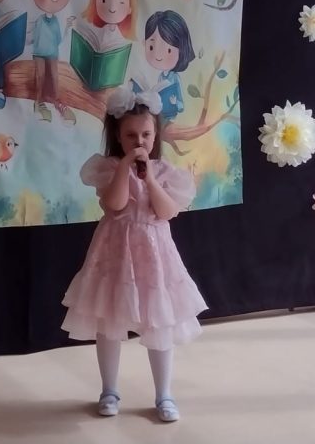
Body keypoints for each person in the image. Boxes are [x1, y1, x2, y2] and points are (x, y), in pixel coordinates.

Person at [61, 87, 206, 423]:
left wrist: (150, 178)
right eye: (130, 135)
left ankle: (164, 394)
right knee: (109, 321)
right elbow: (114, 205)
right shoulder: (109, 168)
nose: (139, 141)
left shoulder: (166, 172)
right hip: (115, 251)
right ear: (117, 136)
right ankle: (109, 390)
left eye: (146, 134)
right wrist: (125, 167)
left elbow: (166, 212)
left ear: (156, 135)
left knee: (159, 320)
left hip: (154, 255)